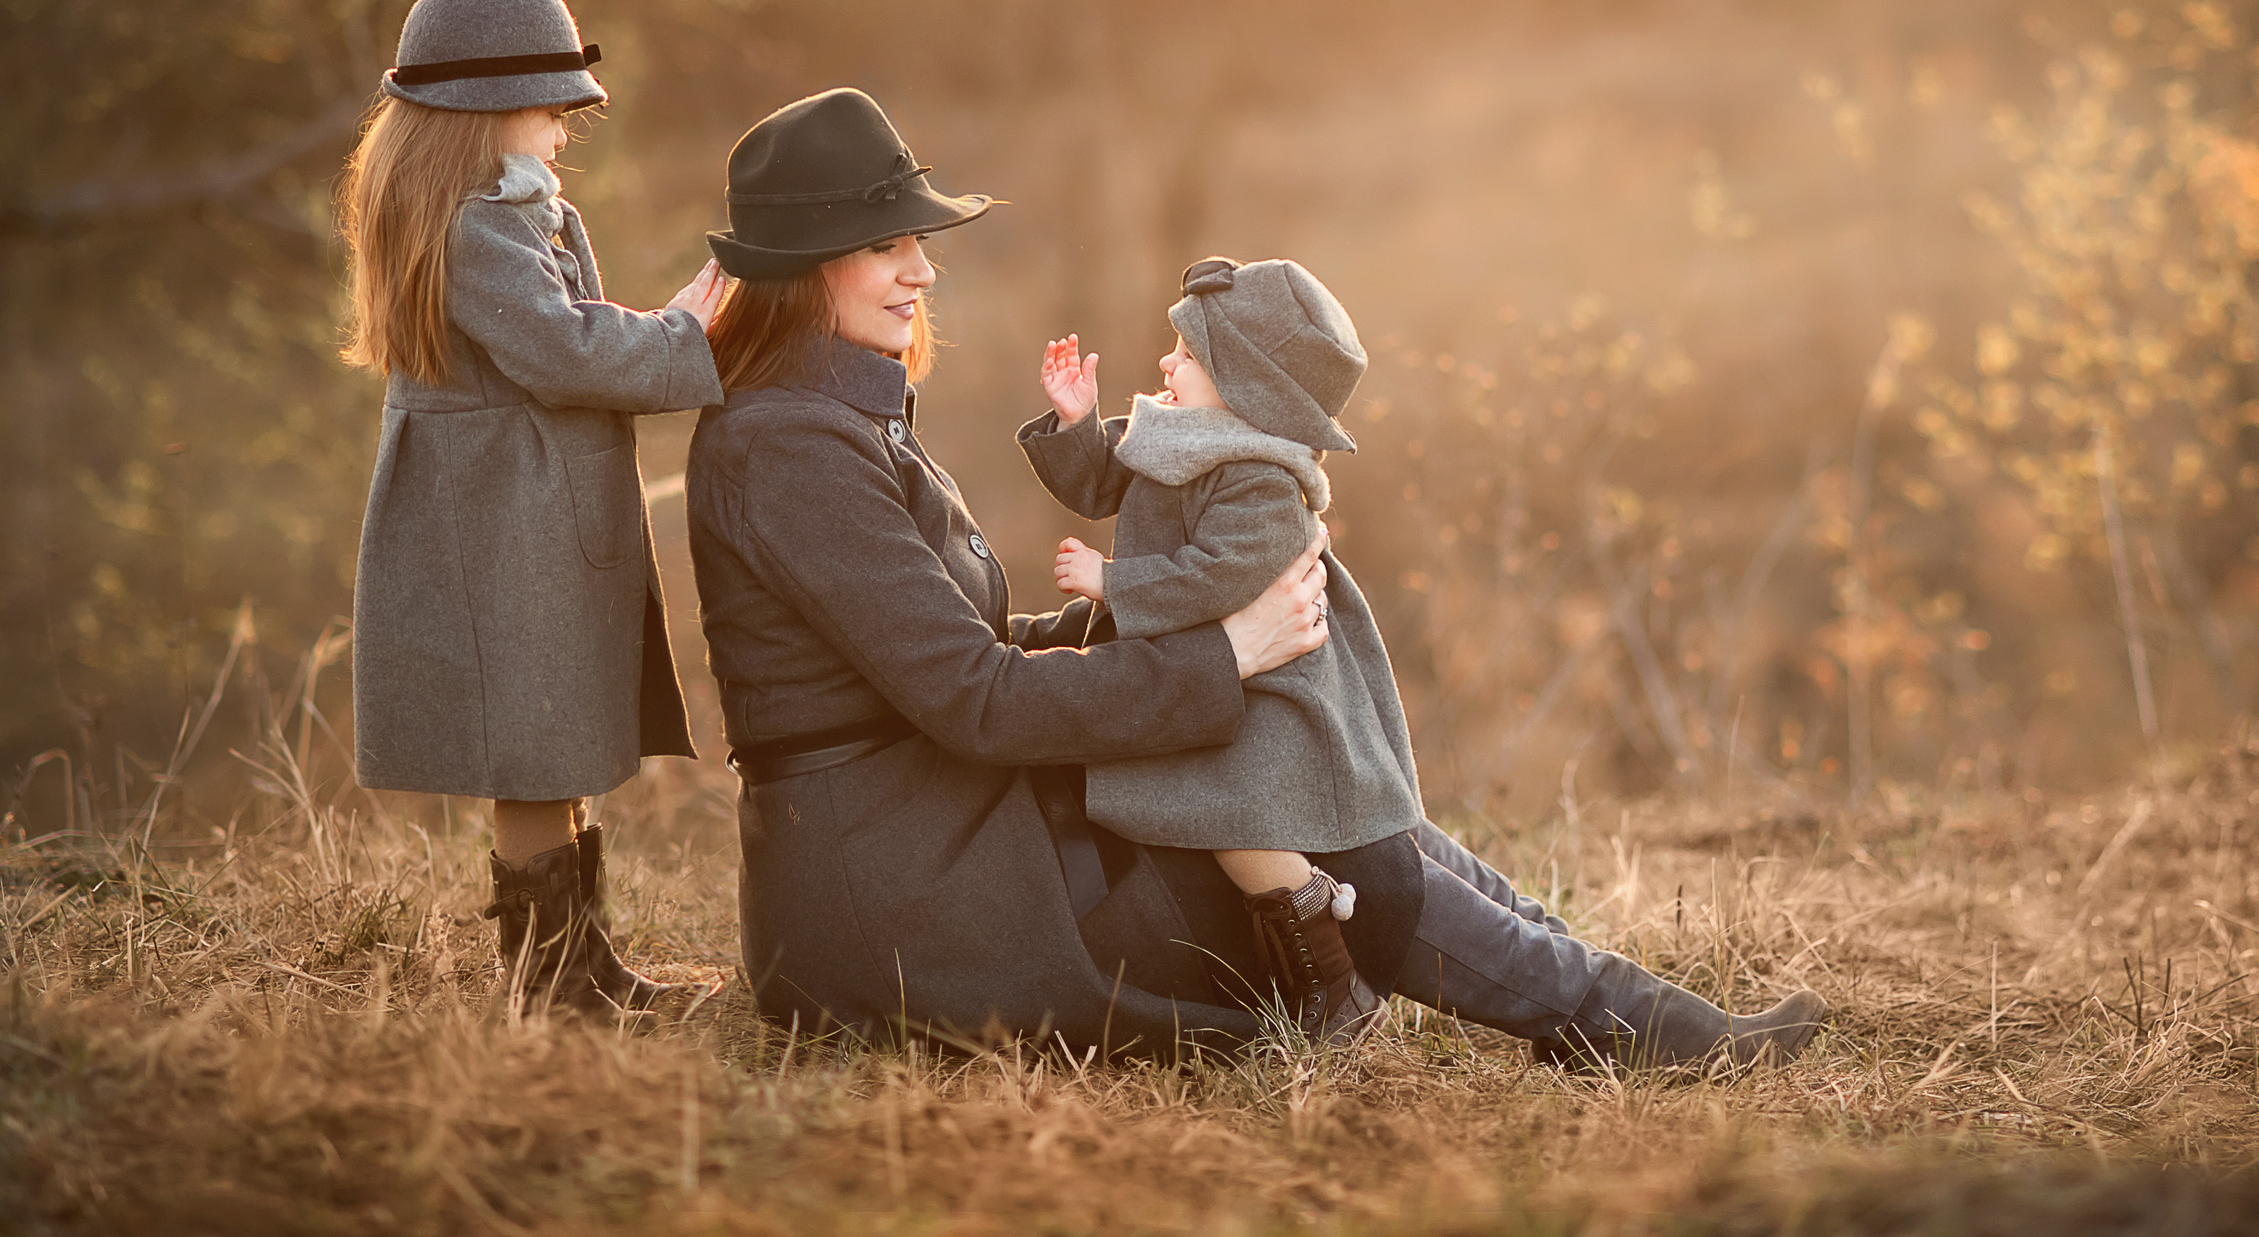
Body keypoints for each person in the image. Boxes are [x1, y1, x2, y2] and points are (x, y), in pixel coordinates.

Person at [687, 86, 1828, 1069]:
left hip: (946, 826)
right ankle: (1620, 1022)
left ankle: (1599, 993)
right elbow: (974, 698)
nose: (922, 268)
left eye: (914, 241)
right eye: (888, 245)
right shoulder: (789, 446)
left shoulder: (837, 419)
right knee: (1295, 813)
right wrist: (1224, 651)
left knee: (1309, 792)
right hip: (903, 893)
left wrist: (1143, 618)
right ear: (804, 269)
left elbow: (953, 653)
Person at [341, 0, 727, 1020]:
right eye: (551, 111)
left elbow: (567, 337)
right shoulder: (476, 226)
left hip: (528, 512)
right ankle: (553, 983)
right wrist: (682, 333)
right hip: (499, 524)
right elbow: (563, 348)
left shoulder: (513, 214)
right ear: (485, 113)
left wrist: (664, 335)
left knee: (554, 735)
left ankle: (580, 963)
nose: (563, 133)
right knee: (531, 748)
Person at [1020, 258, 1421, 1041]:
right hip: (1212, 674)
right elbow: (1102, 481)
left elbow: (1220, 576)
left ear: (1245, 386)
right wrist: (1076, 423)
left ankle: (1332, 980)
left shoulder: (1262, 478)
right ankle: (1299, 969)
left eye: (1187, 355)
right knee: (1211, 819)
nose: (1165, 363)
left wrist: (1113, 581)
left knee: (1237, 820)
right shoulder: (1179, 436)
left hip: (1269, 692)